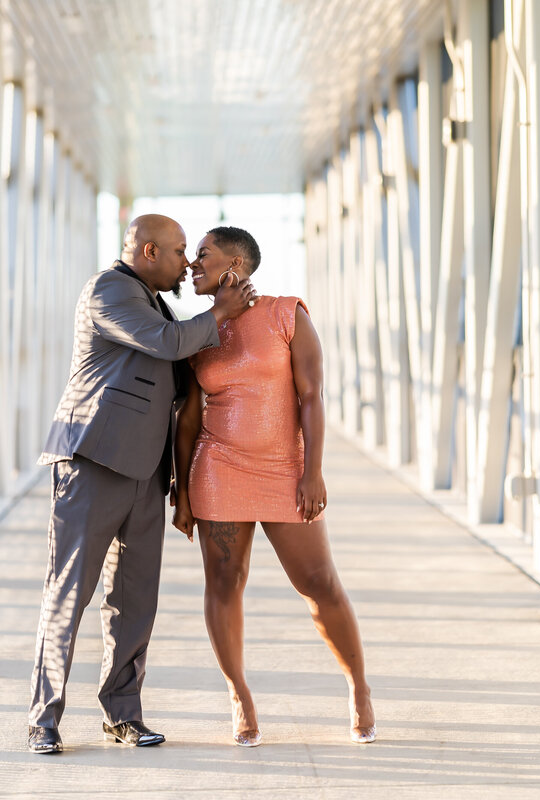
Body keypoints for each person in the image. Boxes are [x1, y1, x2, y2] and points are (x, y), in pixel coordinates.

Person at [27, 214, 257, 754]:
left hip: (146, 477)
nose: (187, 263)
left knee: (135, 603)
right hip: (92, 463)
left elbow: (176, 393)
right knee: (69, 595)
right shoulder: (109, 290)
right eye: (181, 252)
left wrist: (177, 481)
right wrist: (220, 311)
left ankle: (122, 715)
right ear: (149, 251)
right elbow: (163, 342)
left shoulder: (157, 301)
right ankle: (44, 719)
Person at [171, 226, 376, 747]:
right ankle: (238, 694)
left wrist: (312, 471)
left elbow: (312, 397)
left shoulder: (288, 314)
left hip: (286, 469)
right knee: (223, 582)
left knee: (319, 583)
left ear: (235, 264)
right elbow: (188, 420)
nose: (192, 264)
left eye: (203, 255)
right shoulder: (197, 330)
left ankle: (358, 687)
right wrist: (184, 491)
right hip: (218, 469)